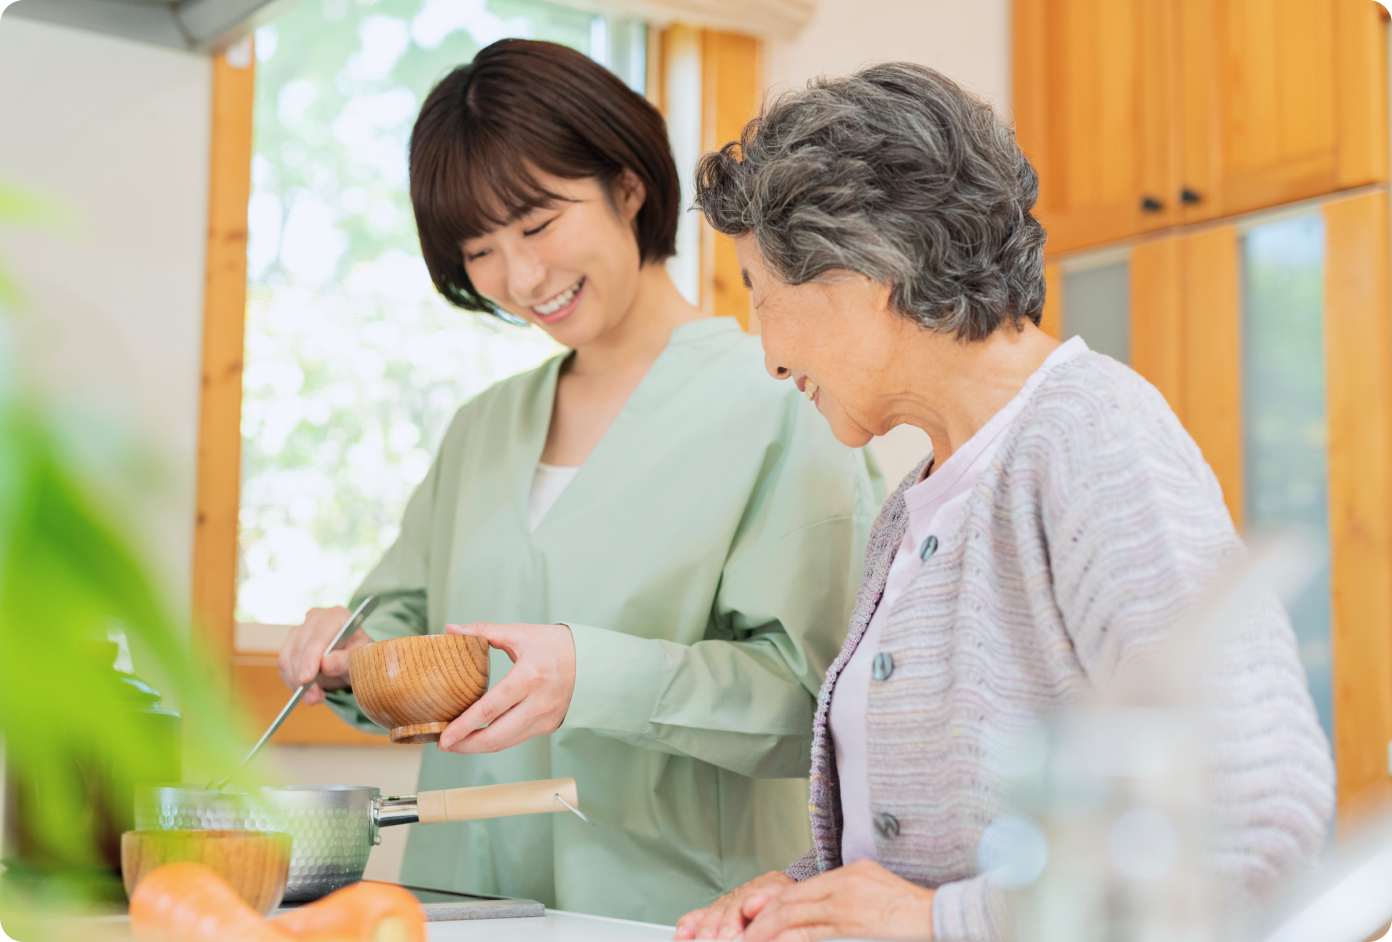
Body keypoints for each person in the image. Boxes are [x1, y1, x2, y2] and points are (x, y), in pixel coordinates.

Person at [675, 62, 1334, 942]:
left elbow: (1255, 820)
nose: (770, 358)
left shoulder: (1090, 434)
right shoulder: (917, 505)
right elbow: (929, 860)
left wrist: (941, 921)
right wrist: (802, 895)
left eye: (761, 297)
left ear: (862, 275)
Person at [273, 40, 881, 925]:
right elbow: (406, 632)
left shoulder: (781, 401)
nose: (521, 278)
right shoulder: (482, 428)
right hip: (459, 908)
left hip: (677, 915)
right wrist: (348, 659)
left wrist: (593, 676)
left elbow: (816, 705)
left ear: (627, 187)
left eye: (537, 225)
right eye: (479, 250)